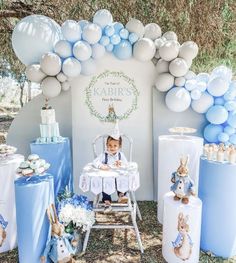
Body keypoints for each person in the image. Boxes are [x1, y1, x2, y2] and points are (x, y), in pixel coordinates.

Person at [93, 135, 128, 213]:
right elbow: (95, 162)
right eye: (110, 145)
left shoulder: (120, 155)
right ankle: (107, 202)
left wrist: (121, 164)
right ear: (106, 145)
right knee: (104, 183)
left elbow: (126, 164)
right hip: (107, 178)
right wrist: (101, 166)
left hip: (117, 177)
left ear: (119, 146)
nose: (112, 148)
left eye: (115, 145)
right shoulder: (104, 155)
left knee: (122, 179)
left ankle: (121, 195)